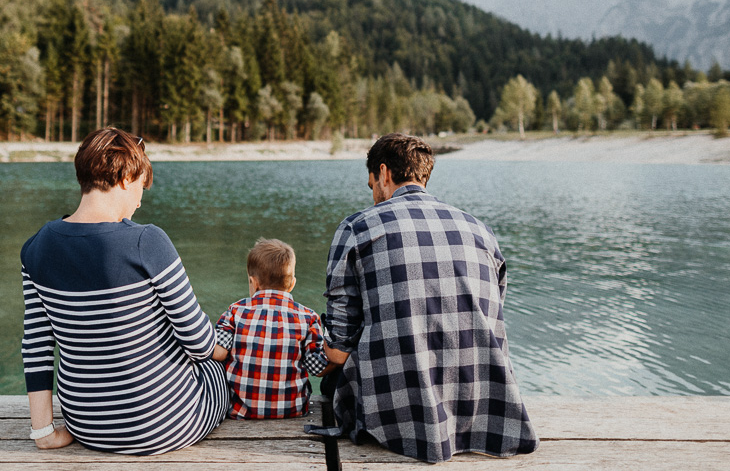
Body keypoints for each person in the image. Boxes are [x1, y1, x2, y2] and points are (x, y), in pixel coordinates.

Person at [322, 133, 538, 463]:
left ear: (384, 174)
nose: (375, 197)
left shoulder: (357, 228)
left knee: (333, 379)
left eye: (372, 187)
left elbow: (338, 349)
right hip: (482, 402)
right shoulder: (479, 230)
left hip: (397, 418)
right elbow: (492, 310)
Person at [20, 127, 228, 454]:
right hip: (165, 424)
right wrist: (226, 351)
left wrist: (44, 432)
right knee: (217, 368)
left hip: (88, 427)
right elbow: (198, 342)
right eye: (141, 187)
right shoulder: (147, 241)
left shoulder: (35, 248)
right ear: (125, 178)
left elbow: (36, 345)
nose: (141, 202)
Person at [212, 238, 330, 419]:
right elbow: (318, 368)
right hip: (293, 411)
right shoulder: (308, 318)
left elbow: (218, 352)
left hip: (241, 412)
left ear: (254, 282)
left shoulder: (235, 312)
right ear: (292, 284)